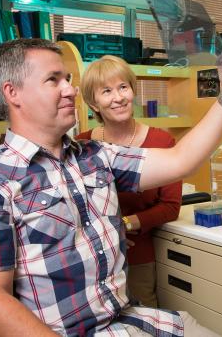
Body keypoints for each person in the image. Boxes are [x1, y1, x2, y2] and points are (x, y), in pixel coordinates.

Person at [0, 38, 222, 336]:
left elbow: (181, 160)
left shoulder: (95, 155)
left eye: (67, 78)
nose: (71, 89)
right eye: (54, 80)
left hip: (133, 319)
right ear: (14, 93)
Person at [76, 55, 182, 308]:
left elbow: (170, 206)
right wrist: (108, 233)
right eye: (107, 91)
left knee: (143, 321)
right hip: (91, 256)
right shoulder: (81, 145)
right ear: (93, 102)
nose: (119, 97)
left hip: (137, 254)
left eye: (123, 87)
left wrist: (123, 225)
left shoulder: (161, 142)